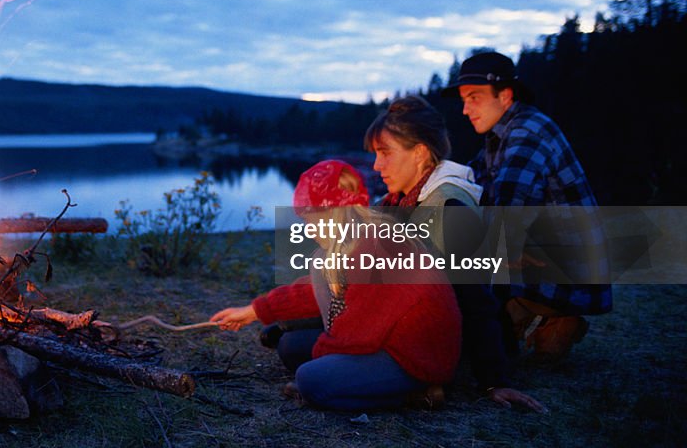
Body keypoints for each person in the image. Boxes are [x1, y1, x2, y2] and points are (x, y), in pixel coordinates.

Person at [209, 160, 462, 411]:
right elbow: (313, 291)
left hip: (414, 356)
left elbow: (359, 332)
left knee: (312, 380)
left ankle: (418, 394)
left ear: (333, 212)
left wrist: (322, 364)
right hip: (383, 340)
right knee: (291, 346)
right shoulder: (349, 244)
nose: (308, 230)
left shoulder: (378, 246)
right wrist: (254, 311)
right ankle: (342, 380)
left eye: (311, 220)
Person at [364, 95, 546, 412]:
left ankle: (422, 387)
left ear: (420, 153)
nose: (376, 165)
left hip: (439, 337)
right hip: (406, 321)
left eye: (385, 153)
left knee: (299, 350)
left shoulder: (450, 206)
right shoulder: (400, 201)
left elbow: (477, 299)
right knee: (290, 337)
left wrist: (493, 381)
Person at [442, 51, 612, 362]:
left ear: (505, 95)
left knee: (467, 272)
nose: (465, 109)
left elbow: (507, 208)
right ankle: (528, 316)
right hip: (556, 259)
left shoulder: (527, 132)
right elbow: (469, 187)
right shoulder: (499, 137)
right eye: (464, 99)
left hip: (575, 273)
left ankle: (545, 314)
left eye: (475, 97)